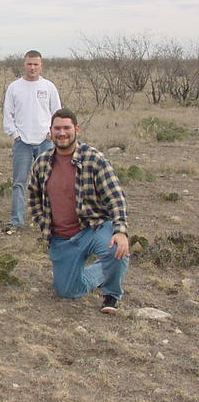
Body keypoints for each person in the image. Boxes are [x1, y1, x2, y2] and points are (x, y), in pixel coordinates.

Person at [27, 109, 129, 313]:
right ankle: (101, 272)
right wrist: (43, 222)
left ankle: (111, 295)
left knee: (115, 249)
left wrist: (120, 231)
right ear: (51, 131)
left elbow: (115, 197)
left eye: (67, 128)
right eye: (57, 128)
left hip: (92, 228)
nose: (62, 133)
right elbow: (33, 196)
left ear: (76, 129)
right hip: (62, 237)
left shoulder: (94, 159)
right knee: (66, 291)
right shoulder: (42, 163)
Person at [3, 50, 61, 234]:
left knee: (48, 182)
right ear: (24, 65)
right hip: (23, 142)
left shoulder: (49, 87)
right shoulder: (14, 87)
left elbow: (57, 113)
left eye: (36, 64)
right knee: (19, 182)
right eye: (29, 64)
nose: (32, 67)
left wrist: (52, 133)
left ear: (41, 65)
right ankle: (17, 220)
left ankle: (49, 220)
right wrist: (15, 134)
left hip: (45, 142)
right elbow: (8, 114)